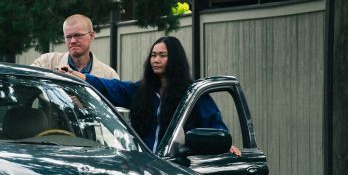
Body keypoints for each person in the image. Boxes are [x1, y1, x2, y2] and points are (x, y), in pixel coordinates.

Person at [63, 36, 238, 154]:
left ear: (175, 60)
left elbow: (215, 128)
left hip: (179, 167)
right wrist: (83, 77)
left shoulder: (192, 94)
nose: (156, 60)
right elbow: (114, 88)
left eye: (163, 55)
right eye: (153, 55)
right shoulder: (142, 91)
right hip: (142, 165)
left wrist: (226, 145)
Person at [31, 14, 120, 80]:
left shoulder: (109, 75)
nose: (73, 41)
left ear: (91, 36)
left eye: (78, 35)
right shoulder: (47, 62)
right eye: (68, 37)